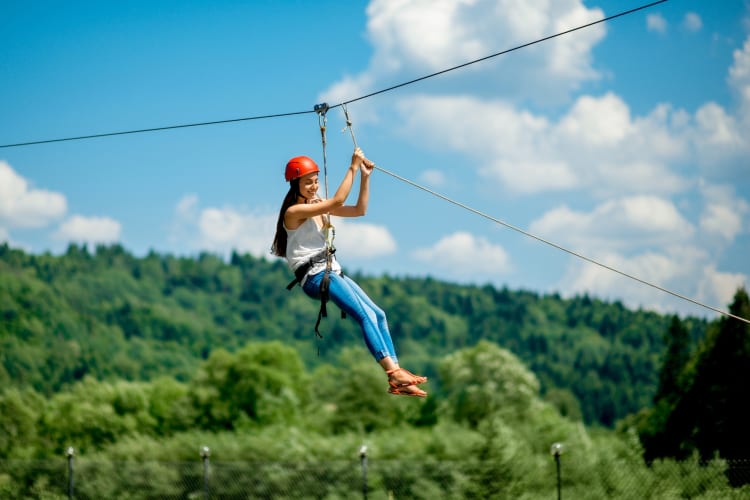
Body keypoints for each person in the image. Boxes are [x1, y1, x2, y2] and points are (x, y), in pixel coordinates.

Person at [271, 147, 428, 397]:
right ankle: (392, 373)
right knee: (363, 315)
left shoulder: (317, 206)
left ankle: (397, 374)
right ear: (294, 185)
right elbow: (337, 202)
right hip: (315, 277)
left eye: (315, 181)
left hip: (330, 271)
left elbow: (358, 210)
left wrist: (365, 177)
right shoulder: (294, 212)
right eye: (307, 183)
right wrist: (352, 166)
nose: (313, 187)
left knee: (378, 314)